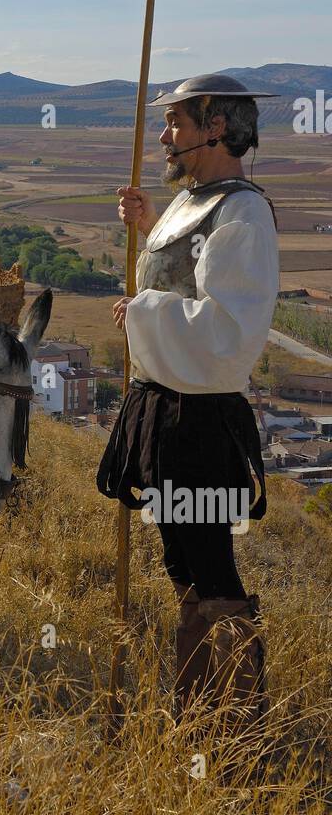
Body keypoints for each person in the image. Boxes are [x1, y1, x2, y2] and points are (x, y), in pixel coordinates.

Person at [96, 74, 279, 738]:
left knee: (210, 564)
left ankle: (235, 729)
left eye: (177, 122)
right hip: (163, 410)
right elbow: (184, 273)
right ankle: (200, 717)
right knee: (182, 563)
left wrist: (143, 309)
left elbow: (230, 332)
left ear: (217, 128)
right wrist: (147, 227)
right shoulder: (193, 203)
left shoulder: (243, 214)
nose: (165, 136)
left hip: (199, 421)